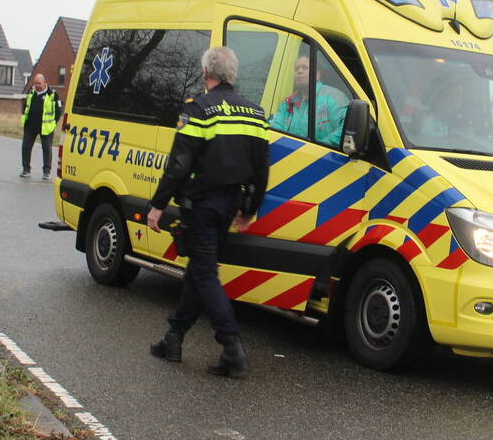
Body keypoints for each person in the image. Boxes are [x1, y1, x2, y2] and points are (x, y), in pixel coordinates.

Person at [146, 46, 270, 379]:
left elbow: (179, 164)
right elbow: (261, 169)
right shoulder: (255, 113)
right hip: (230, 205)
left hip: (200, 205)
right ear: (233, 74)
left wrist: (157, 205)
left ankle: (232, 348)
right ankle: (173, 339)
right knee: (199, 271)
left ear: (206, 74)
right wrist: (249, 209)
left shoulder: (199, 109)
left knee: (203, 274)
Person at [268, 54, 348, 147]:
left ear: (317, 74)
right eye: (297, 68)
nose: (299, 71)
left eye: (305, 67)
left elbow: (345, 130)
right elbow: (275, 129)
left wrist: (319, 151)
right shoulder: (288, 103)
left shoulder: (333, 97)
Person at [20, 73, 63, 179]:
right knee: (26, 147)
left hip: (46, 127)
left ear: (44, 83)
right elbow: (25, 105)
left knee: (47, 149)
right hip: (30, 126)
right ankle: (26, 169)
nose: (37, 86)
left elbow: (58, 110)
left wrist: (53, 123)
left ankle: (46, 171)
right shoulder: (31, 91)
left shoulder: (52, 94)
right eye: (35, 83)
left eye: (39, 83)